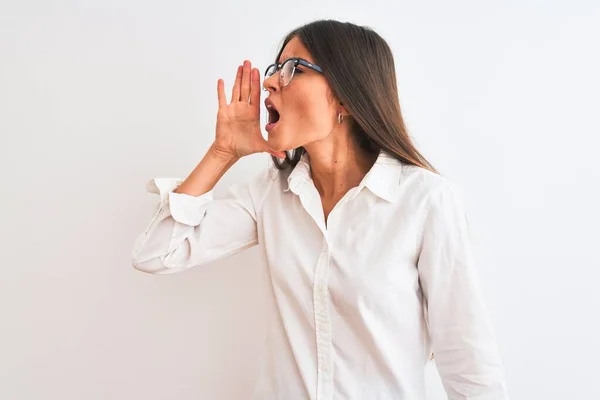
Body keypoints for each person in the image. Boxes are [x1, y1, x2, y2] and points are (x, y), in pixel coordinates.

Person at [131, 19, 509, 400]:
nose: (270, 82)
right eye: (275, 69)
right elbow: (157, 253)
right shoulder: (271, 193)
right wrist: (222, 154)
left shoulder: (425, 200)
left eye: (293, 69)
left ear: (346, 97)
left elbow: (468, 365)